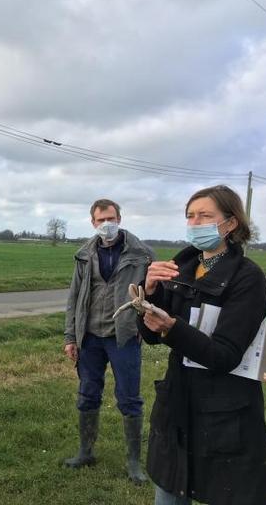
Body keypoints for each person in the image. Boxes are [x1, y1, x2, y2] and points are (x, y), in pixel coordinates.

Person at [138, 185, 266, 505]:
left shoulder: (247, 277)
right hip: (178, 402)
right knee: (169, 493)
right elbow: (149, 336)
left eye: (205, 216)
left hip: (226, 410)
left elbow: (225, 355)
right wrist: (150, 294)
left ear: (230, 224)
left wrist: (173, 329)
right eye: (190, 216)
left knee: (228, 491)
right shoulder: (182, 268)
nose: (195, 222)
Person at [63, 199, 155, 483]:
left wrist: (144, 323)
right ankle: (86, 452)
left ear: (120, 218)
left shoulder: (142, 255)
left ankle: (134, 464)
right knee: (88, 393)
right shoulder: (83, 254)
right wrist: (70, 336)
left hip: (123, 336)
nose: (107, 223)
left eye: (112, 217)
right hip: (89, 336)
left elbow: (154, 294)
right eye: (101, 219)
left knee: (129, 399)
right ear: (92, 222)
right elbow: (74, 297)